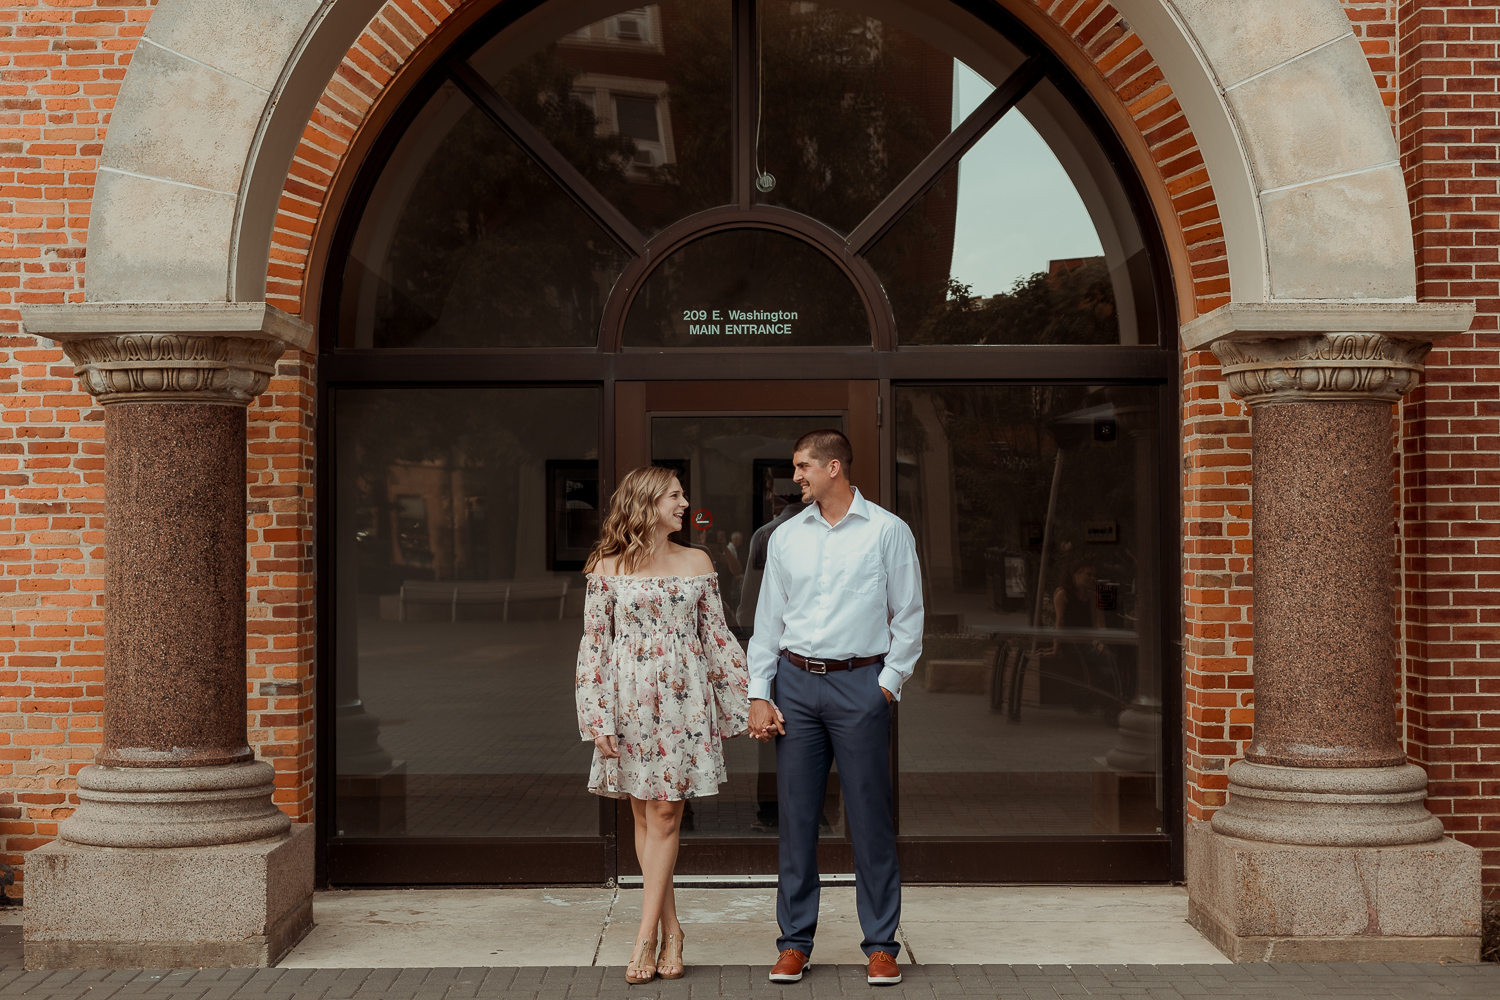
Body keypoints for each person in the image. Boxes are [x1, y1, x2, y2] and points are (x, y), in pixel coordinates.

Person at [745, 429, 923, 986]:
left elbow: (909, 616)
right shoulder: (786, 537)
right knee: (797, 821)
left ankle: (880, 944)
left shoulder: (888, 532)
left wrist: (886, 686)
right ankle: (795, 943)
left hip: (859, 685)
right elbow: (768, 621)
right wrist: (759, 691)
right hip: (796, 685)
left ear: (835, 467)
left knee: (869, 819)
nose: (795, 476)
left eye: (803, 466)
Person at [575, 466, 757, 984]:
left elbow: (718, 638)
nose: (685, 503)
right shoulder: (606, 566)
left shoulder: (698, 560)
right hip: (627, 702)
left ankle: (643, 938)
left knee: (666, 818)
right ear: (648, 502)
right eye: (676, 496)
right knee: (644, 819)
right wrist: (596, 716)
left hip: (683, 704)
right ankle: (672, 930)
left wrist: (753, 701)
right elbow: (594, 646)